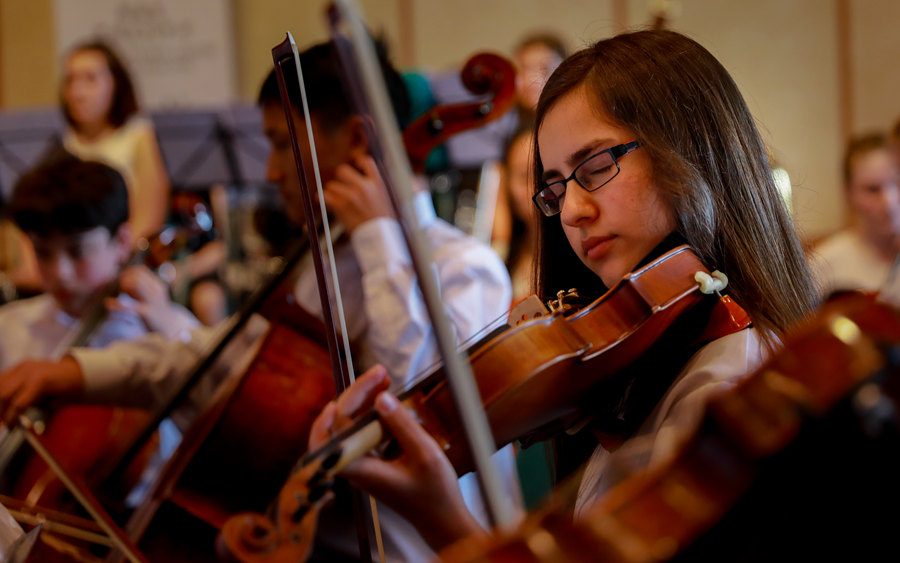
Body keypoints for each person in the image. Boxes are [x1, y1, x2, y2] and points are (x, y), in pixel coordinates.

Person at [301, 29, 818, 554]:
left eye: (596, 168)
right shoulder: (642, 359)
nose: (570, 212)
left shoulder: (732, 381)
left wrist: (445, 523)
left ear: (690, 148)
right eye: (553, 188)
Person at [0, 39, 515, 561]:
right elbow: (215, 364)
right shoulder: (319, 272)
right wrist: (74, 372)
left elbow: (418, 419)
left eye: (281, 144)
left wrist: (379, 236)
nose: (270, 171)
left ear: (359, 139)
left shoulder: (467, 269)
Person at [808, 132, 900, 299]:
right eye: (872, 189)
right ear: (849, 194)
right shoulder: (824, 264)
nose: (889, 201)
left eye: (897, 183)